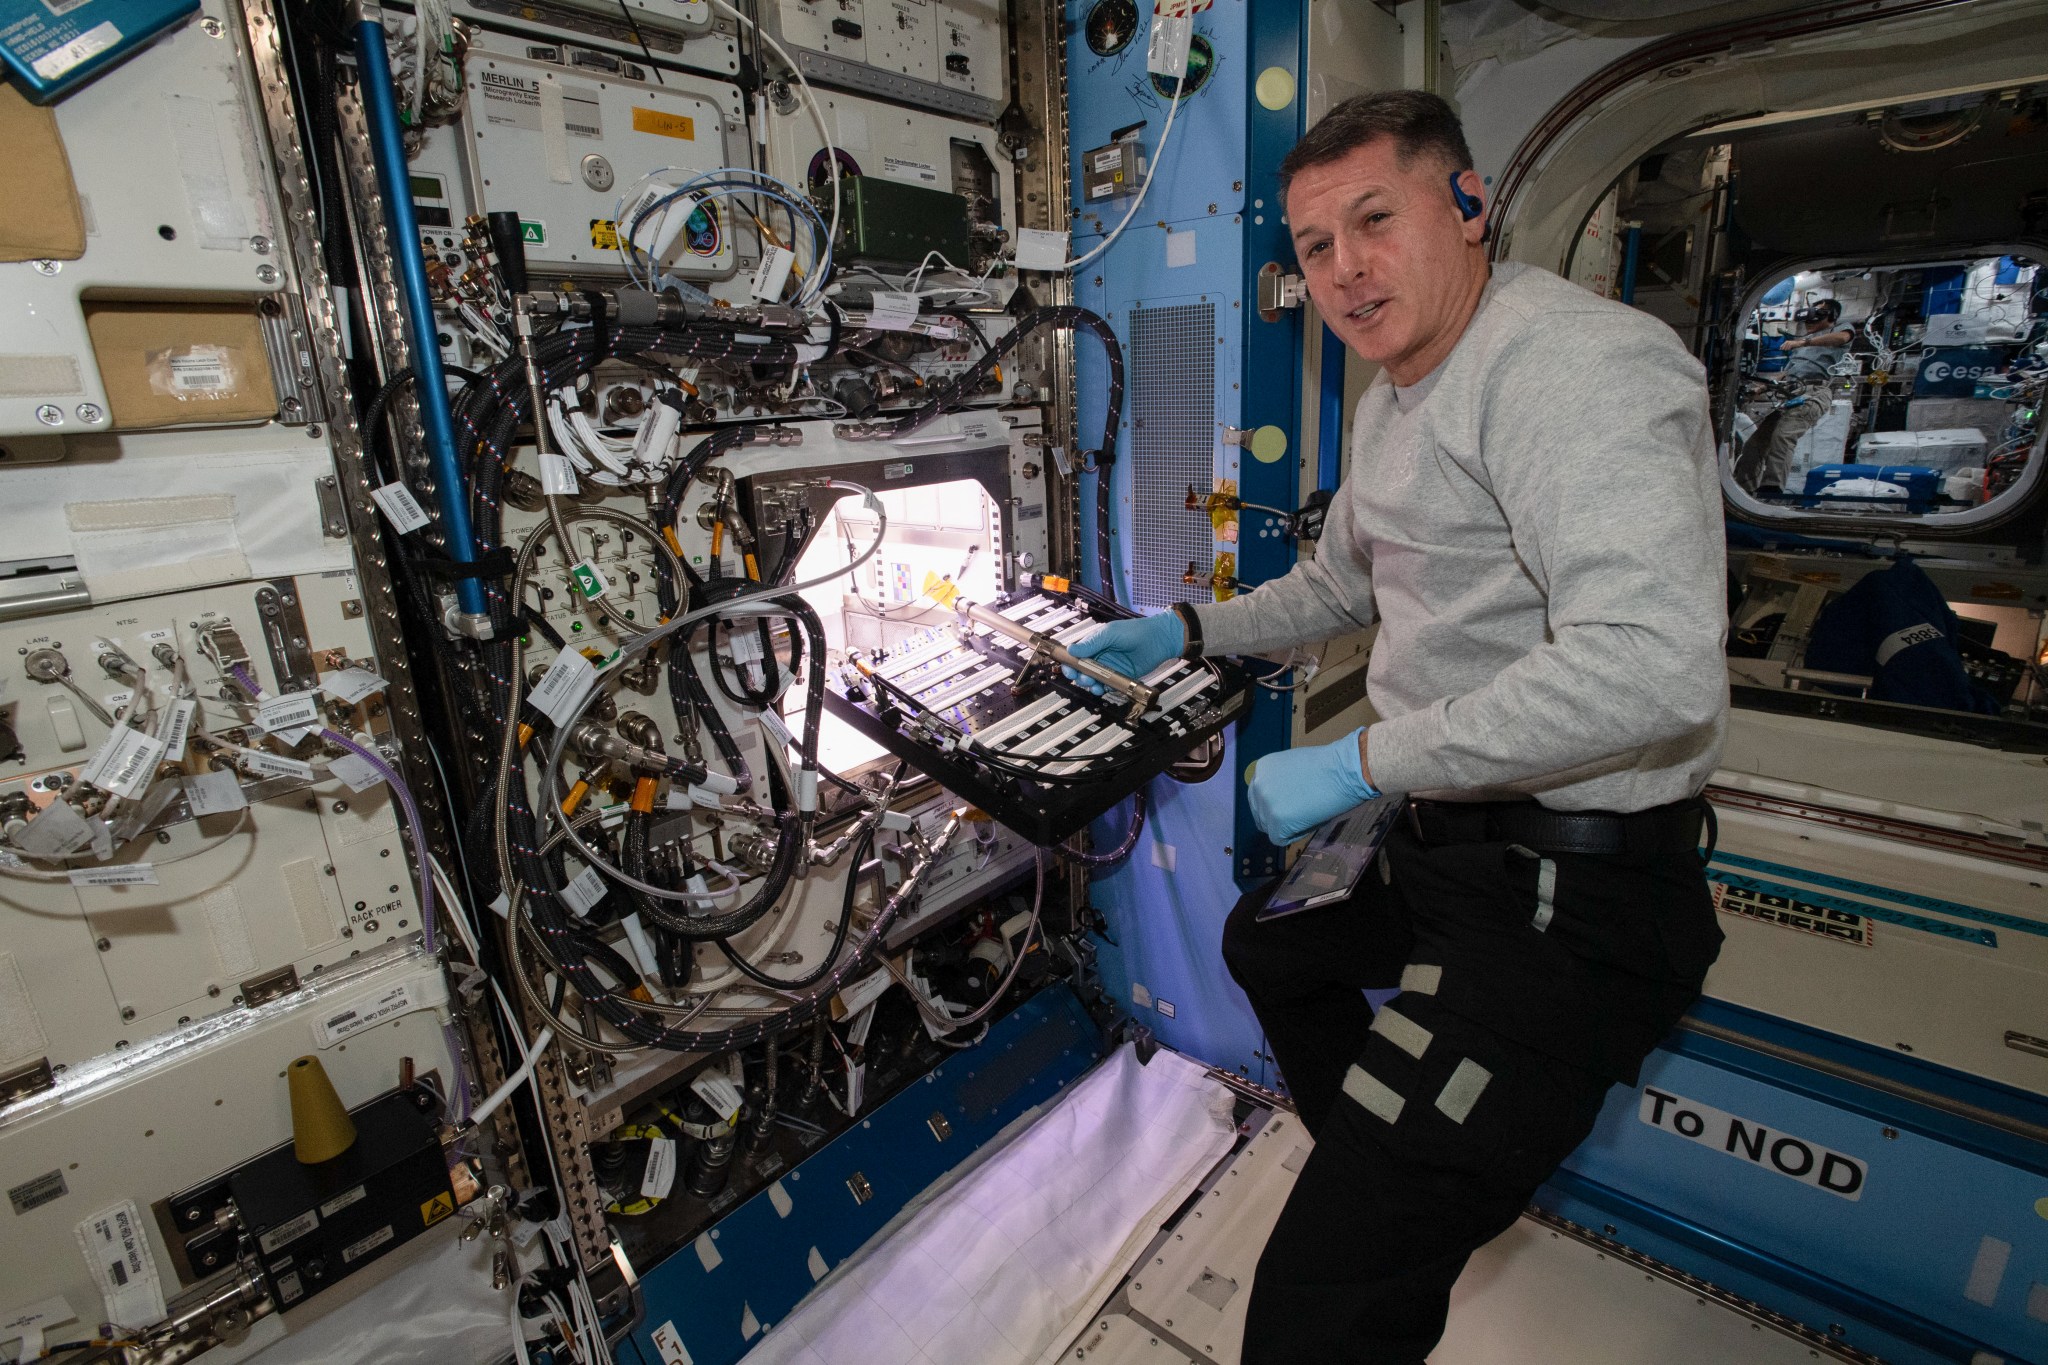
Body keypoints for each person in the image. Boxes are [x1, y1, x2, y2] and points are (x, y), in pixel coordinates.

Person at [1067, 90, 1729, 1363]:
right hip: (1447, 840)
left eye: (1374, 219)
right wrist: (1186, 631)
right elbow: (1340, 588)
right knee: (1271, 947)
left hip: (1570, 896)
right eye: (1314, 246)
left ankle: (1390, 1192)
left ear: (1468, 205)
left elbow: (1651, 673)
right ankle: (1396, 1158)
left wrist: (1359, 760)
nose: (1344, 269)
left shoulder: (1571, 369)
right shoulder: (1393, 396)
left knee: (1317, 1305)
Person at [1757, 297, 1853, 493]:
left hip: (1813, 393)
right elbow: (1787, 373)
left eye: (1816, 317)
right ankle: (1743, 488)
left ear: (1831, 317)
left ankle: (1771, 491)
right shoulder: (1803, 346)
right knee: (1757, 443)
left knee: (1783, 437)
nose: (1810, 322)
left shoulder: (1837, 331)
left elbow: (1842, 338)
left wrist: (1802, 342)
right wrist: (1760, 388)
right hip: (1790, 393)